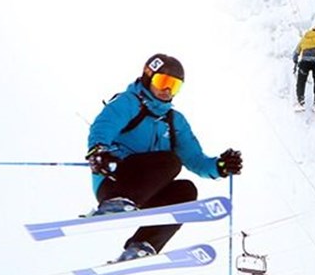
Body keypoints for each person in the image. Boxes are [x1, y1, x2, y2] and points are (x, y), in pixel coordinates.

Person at [86, 54, 243, 263]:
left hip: (146, 193)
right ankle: (116, 203)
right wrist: (98, 150)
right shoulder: (129, 102)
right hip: (116, 180)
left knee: (186, 190)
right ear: (148, 78)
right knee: (170, 162)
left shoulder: (174, 121)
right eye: (163, 81)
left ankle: (142, 245)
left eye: (174, 86)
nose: (167, 90)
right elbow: (104, 125)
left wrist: (219, 166)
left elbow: (195, 158)